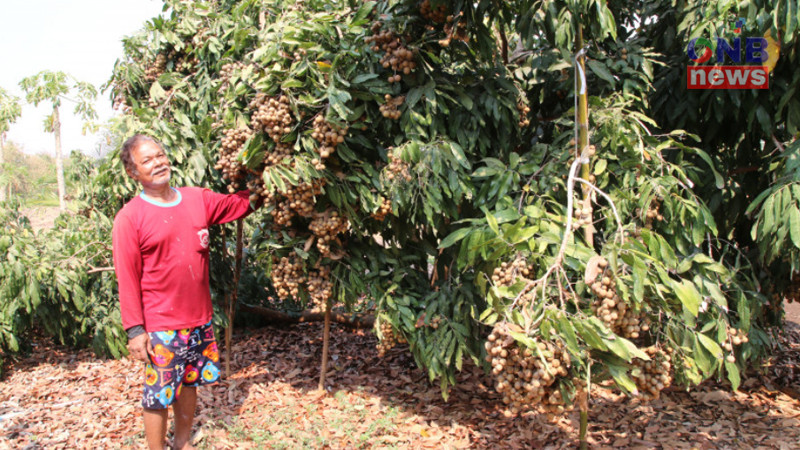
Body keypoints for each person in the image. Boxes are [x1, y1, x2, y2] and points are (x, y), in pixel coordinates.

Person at [112, 134, 256, 449]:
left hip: (199, 318)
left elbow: (236, 204)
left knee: (189, 382)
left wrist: (266, 181)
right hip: (161, 323)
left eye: (160, 155)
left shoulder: (196, 199)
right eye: (147, 160)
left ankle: (181, 442)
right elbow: (127, 276)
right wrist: (135, 330)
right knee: (158, 393)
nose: (158, 163)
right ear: (134, 173)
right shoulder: (130, 218)